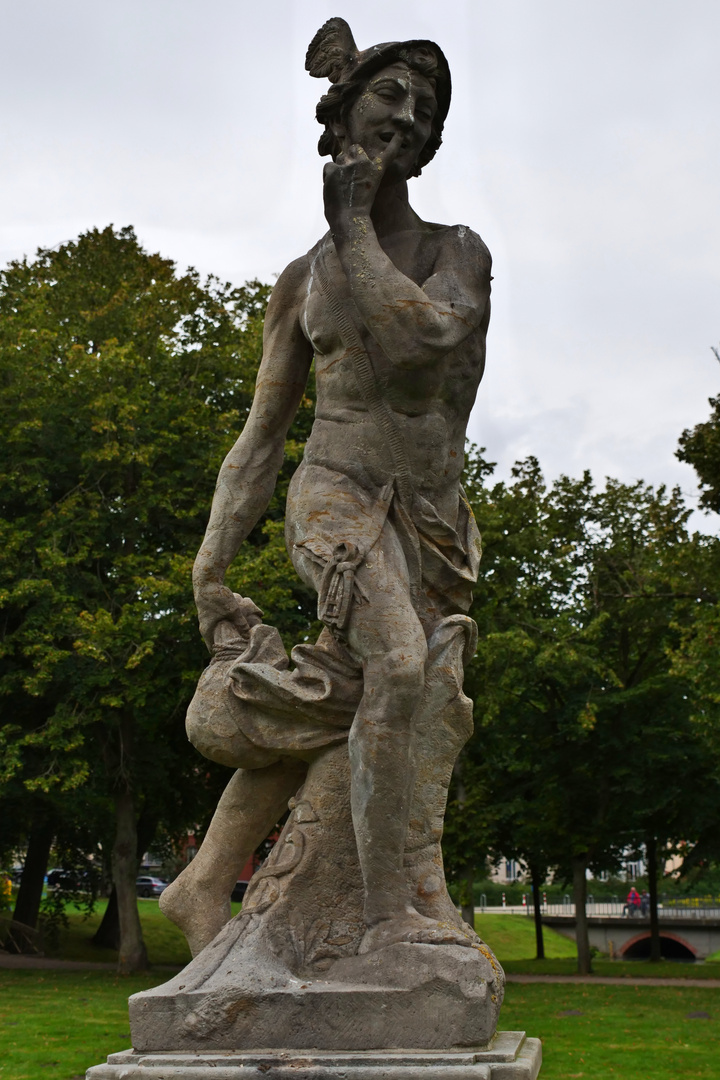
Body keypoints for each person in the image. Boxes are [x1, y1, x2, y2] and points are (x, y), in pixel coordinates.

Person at [161, 17, 492, 958]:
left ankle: (202, 883)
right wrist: (211, 561)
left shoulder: (458, 253)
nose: (409, 113)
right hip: (336, 492)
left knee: (374, 696)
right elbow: (261, 440)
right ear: (343, 113)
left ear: (430, 145)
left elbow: (424, 351)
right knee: (394, 669)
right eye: (390, 94)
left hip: (432, 515)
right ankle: (390, 918)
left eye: (424, 108)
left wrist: (354, 221)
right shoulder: (301, 282)